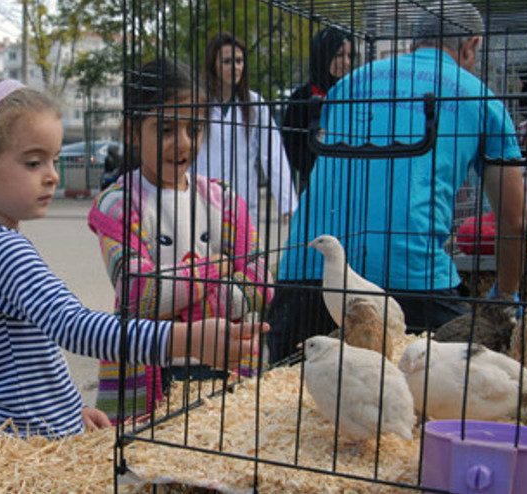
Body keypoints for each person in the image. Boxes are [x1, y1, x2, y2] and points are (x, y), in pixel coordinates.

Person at [0, 78, 268, 441]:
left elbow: (12, 368)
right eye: (33, 162)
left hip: (18, 437)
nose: (52, 175)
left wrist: (70, 409)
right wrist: (187, 339)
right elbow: (77, 327)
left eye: (52, 159)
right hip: (28, 447)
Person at [266, 0, 526, 363]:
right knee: (459, 381)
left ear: (410, 46)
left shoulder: (348, 84)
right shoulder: (482, 99)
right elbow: (513, 221)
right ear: (471, 46)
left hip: (307, 275)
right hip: (411, 283)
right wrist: (505, 297)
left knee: (287, 393)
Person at [88, 59, 270, 422]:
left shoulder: (225, 199)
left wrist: (176, 304)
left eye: (195, 128)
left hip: (224, 363)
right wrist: (217, 267)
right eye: (167, 128)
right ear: (132, 131)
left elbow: (260, 278)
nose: (183, 143)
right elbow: (139, 292)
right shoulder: (118, 204)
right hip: (148, 367)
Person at [196, 32, 298, 226]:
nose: (235, 67)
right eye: (227, 61)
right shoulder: (197, 103)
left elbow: (273, 154)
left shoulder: (254, 105)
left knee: (244, 254)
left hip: (242, 202)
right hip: (202, 201)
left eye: (239, 61)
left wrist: (288, 204)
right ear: (213, 65)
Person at [282, 27, 355, 193]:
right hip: (313, 182)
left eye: (349, 56)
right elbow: (291, 144)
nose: (346, 62)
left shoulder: (355, 93)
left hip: (349, 181)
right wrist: (315, 164)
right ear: (323, 55)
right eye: (338, 55)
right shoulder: (302, 96)